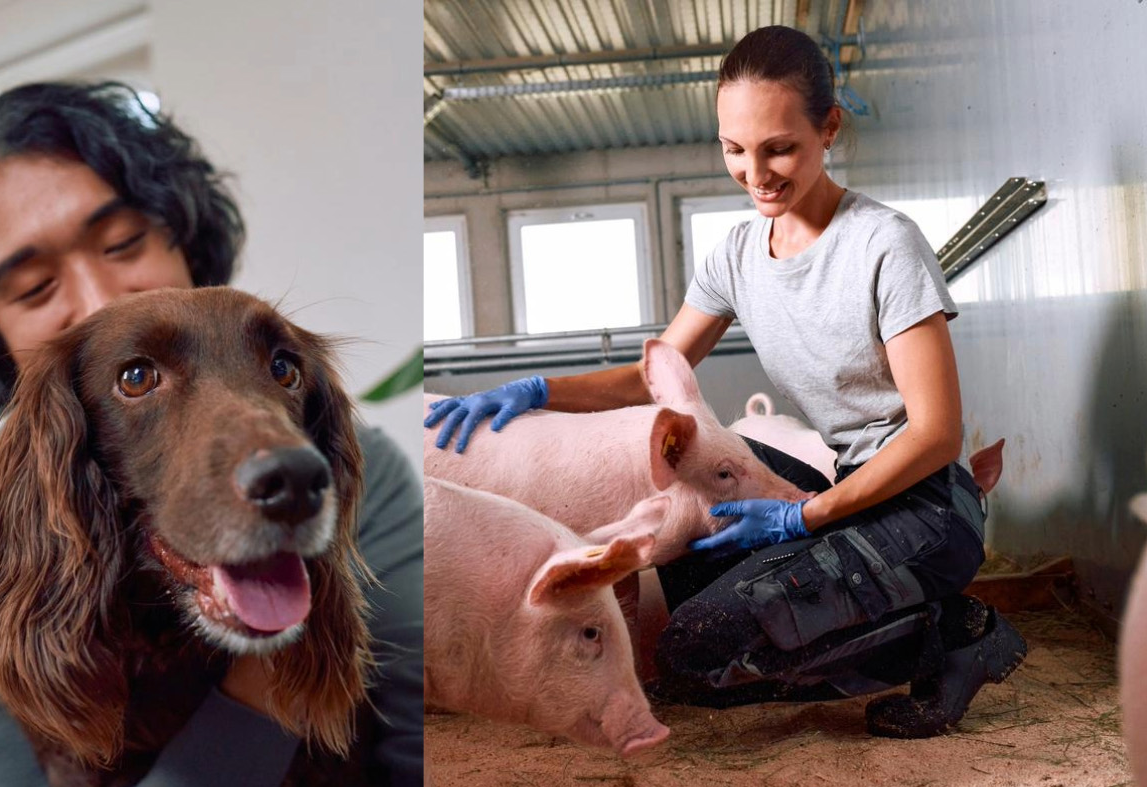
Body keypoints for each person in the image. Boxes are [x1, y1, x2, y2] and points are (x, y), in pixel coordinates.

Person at [425, 25, 1025, 739]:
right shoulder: (737, 254)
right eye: (734, 150)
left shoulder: (883, 245)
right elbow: (654, 375)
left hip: (924, 507)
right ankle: (873, 614)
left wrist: (807, 517)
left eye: (779, 148)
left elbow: (935, 435)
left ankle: (955, 633)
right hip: (844, 490)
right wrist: (536, 391)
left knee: (693, 653)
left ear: (828, 128)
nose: (756, 173)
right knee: (692, 528)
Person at [0, 82, 423, 787]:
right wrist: (266, 686)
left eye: (125, 243)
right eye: (35, 287)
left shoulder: (359, 468)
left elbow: (423, 758)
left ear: (184, 240)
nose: (103, 301)